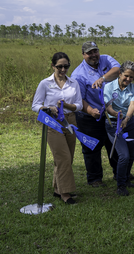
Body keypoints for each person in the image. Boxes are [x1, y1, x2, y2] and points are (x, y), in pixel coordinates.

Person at [32, 52, 83, 204]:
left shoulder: (74, 83)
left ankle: (57, 188)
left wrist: (67, 106)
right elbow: (35, 105)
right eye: (59, 66)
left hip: (70, 121)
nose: (63, 69)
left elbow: (79, 105)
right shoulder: (45, 83)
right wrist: (48, 108)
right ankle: (65, 193)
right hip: (53, 122)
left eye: (66, 66)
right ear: (53, 66)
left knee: (68, 156)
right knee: (63, 158)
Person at [71, 41, 120, 188]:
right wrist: (90, 110)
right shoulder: (78, 74)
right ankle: (94, 178)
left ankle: (120, 173)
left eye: (95, 51)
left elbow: (119, 70)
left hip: (110, 113)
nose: (93, 55)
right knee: (91, 148)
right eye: (89, 53)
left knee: (115, 143)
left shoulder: (106, 59)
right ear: (83, 55)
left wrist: (103, 78)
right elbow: (79, 99)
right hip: (89, 116)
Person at [104, 61, 134, 196]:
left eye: (131, 77)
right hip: (113, 123)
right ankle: (120, 185)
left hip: (128, 122)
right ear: (120, 73)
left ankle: (126, 178)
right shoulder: (108, 87)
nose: (128, 79)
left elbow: (132, 105)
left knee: (131, 153)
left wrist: (126, 119)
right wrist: (116, 114)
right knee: (123, 155)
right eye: (126, 76)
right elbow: (108, 106)